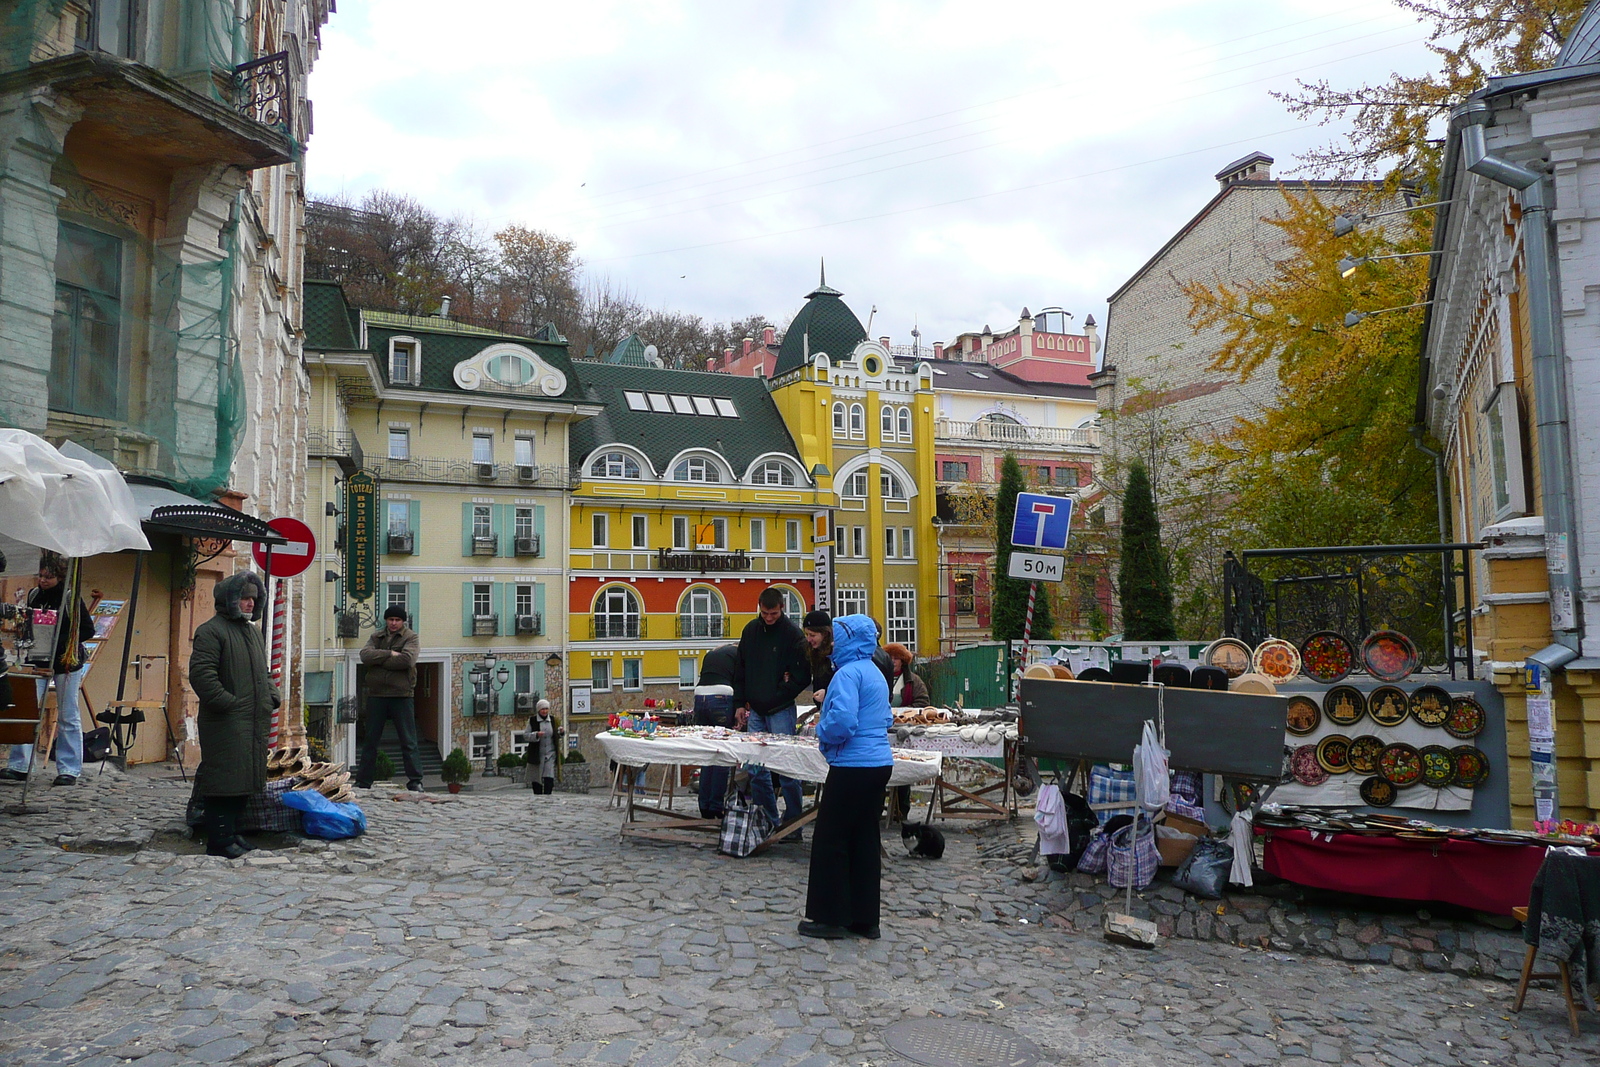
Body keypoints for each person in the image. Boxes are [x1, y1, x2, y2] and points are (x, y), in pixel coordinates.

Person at [799, 613, 894, 940]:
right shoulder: (875, 672)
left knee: (831, 839)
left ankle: (830, 918)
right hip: (879, 762)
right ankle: (865, 919)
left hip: (853, 764)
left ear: (849, 640)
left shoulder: (846, 674)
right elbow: (885, 716)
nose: (833, 645)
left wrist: (821, 732)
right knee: (864, 840)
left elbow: (842, 722)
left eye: (838, 638)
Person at [188, 571, 279, 858]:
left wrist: (271, 695)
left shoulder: (252, 632)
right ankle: (219, 839)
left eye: (253, 598)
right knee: (223, 782)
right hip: (225, 720)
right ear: (230, 600)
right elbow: (202, 675)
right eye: (244, 598)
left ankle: (232, 834)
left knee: (243, 781)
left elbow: (262, 672)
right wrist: (227, 703)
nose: (250, 604)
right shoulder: (211, 631)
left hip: (252, 719)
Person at [2, 553, 94, 786]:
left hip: (65, 663)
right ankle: (20, 765)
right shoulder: (34, 594)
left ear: (60, 577)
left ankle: (69, 768)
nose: (43, 580)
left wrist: (61, 642)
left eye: (49, 577)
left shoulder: (70, 598)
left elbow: (86, 629)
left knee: (67, 714)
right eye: (41, 575)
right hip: (38, 660)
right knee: (27, 711)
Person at [736, 587, 811, 829]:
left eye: (774, 614)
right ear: (759, 608)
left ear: (782, 609)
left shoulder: (792, 635)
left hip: (781, 709)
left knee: (787, 767)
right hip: (756, 709)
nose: (769, 618)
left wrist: (781, 692)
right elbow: (740, 668)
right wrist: (739, 702)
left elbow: (802, 675)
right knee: (756, 769)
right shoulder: (750, 631)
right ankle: (768, 818)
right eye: (766, 613)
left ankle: (793, 823)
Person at [355, 604, 424, 791]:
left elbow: (407, 660)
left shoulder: (411, 637)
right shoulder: (376, 636)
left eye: (397, 620)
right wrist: (389, 653)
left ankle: (415, 780)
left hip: (401, 695)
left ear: (403, 622)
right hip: (377, 694)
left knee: (408, 741)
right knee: (370, 740)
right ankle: (363, 781)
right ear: (386, 620)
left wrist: (379, 662)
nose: (393, 623)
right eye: (391, 619)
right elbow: (364, 656)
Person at [693, 642, 741, 819]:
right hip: (721, 696)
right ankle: (716, 805)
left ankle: (704, 805)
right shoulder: (740, 654)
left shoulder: (715, 653)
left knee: (709, 752)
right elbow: (741, 683)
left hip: (700, 696)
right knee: (722, 752)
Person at [884, 642, 930, 818]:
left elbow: (923, 703)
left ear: (903, 661)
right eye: (890, 657)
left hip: (905, 732)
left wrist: (906, 713)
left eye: (897, 658)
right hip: (883, 731)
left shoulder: (914, 681)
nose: (893, 661)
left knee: (902, 771)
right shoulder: (878, 677)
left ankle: (901, 810)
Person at [801, 610, 834, 707]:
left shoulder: (837, 654)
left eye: (812, 635)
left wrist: (827, 693)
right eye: (807, 634)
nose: (808, 639)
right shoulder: (814, 651)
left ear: (825, 634)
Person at [529, 699, 559, 795]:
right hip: (537, 753)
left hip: (550, 753)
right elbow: (526, 735)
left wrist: (561, 733)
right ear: (538, 710)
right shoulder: (532, 721)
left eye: (546, 709)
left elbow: (556, 734)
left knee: (549, 775)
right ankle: (537, 795)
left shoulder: (553, 720)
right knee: (537, 776)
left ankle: (548, 795)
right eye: (542, 709)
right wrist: (536, 735)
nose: (545, 711)